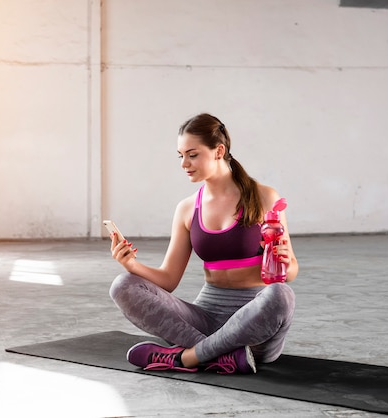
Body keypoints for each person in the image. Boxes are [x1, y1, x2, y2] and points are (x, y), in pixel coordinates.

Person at [108, 113, 298, 374]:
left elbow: (291, 271)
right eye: (180, 155)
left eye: (192, 154)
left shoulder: (265, 197)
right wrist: (131, 264)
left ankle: (188, 358)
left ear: (218, 151)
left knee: (281, 295)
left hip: (254, 329)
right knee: (123, 285)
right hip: (204, 320)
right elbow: (168, 279)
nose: (184, 163)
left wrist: (286, 261)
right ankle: (220, 355)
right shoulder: (187, 209)